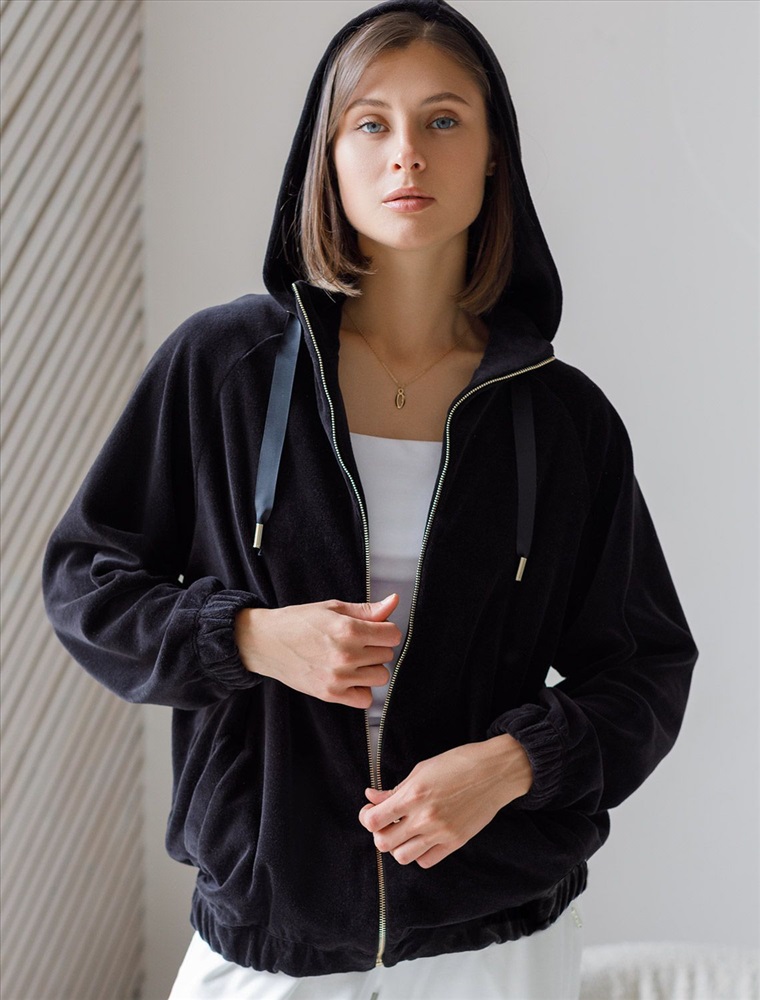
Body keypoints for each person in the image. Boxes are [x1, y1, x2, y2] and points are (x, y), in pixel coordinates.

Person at [42, 1, 698, 997]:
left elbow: (646, 669)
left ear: (493, 155)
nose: (407, 155)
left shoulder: (562, 421)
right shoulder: (224, 370)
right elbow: (85, 582)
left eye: (443, 120)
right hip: (273, 929)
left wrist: (511, 763)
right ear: (329, 154)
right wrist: (250, 637)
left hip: (497, 942)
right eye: (371, 123)